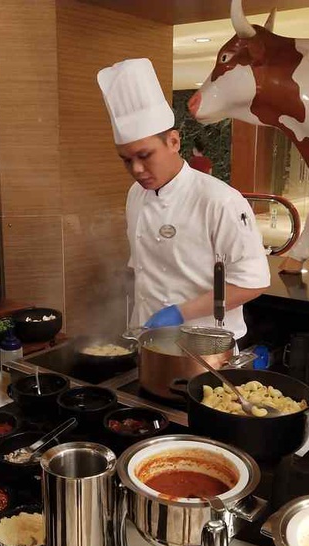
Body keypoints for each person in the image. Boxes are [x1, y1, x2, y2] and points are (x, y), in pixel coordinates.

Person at [97, 58, 270, 339]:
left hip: (206, 348)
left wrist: (180, 312)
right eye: (126, 160)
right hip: (149, 342)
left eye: (144, 156)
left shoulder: (220, 200)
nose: (136, 170)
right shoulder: (136, 195)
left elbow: (252, 283)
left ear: (174, 142)